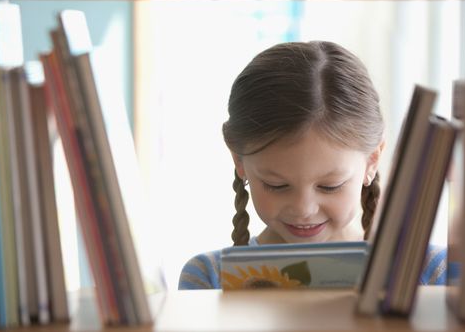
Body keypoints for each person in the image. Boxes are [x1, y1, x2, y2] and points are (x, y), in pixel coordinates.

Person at [178, 41, 446, 289]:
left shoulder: (433, 273)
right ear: (239, 160)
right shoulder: (208, 278)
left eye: (330, 186)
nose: (304, 209)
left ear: (372, 160)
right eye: (277, 185)